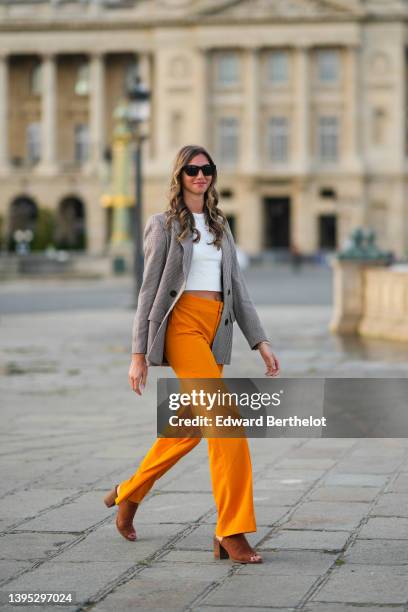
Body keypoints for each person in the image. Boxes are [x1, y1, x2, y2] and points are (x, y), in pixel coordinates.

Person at [103, 144, 280, 564]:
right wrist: (138, 353)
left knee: (188, 428)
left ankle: (128, 493)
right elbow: (149, 291)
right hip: (182, 327)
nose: (200, 176)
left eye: (207, 170)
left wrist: (260, 341)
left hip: (215, 328)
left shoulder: (221, 225)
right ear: (179, 176)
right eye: (192, 170)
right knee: (227, 424)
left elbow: (238, 289)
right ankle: (231, 529)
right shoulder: (162, 225)